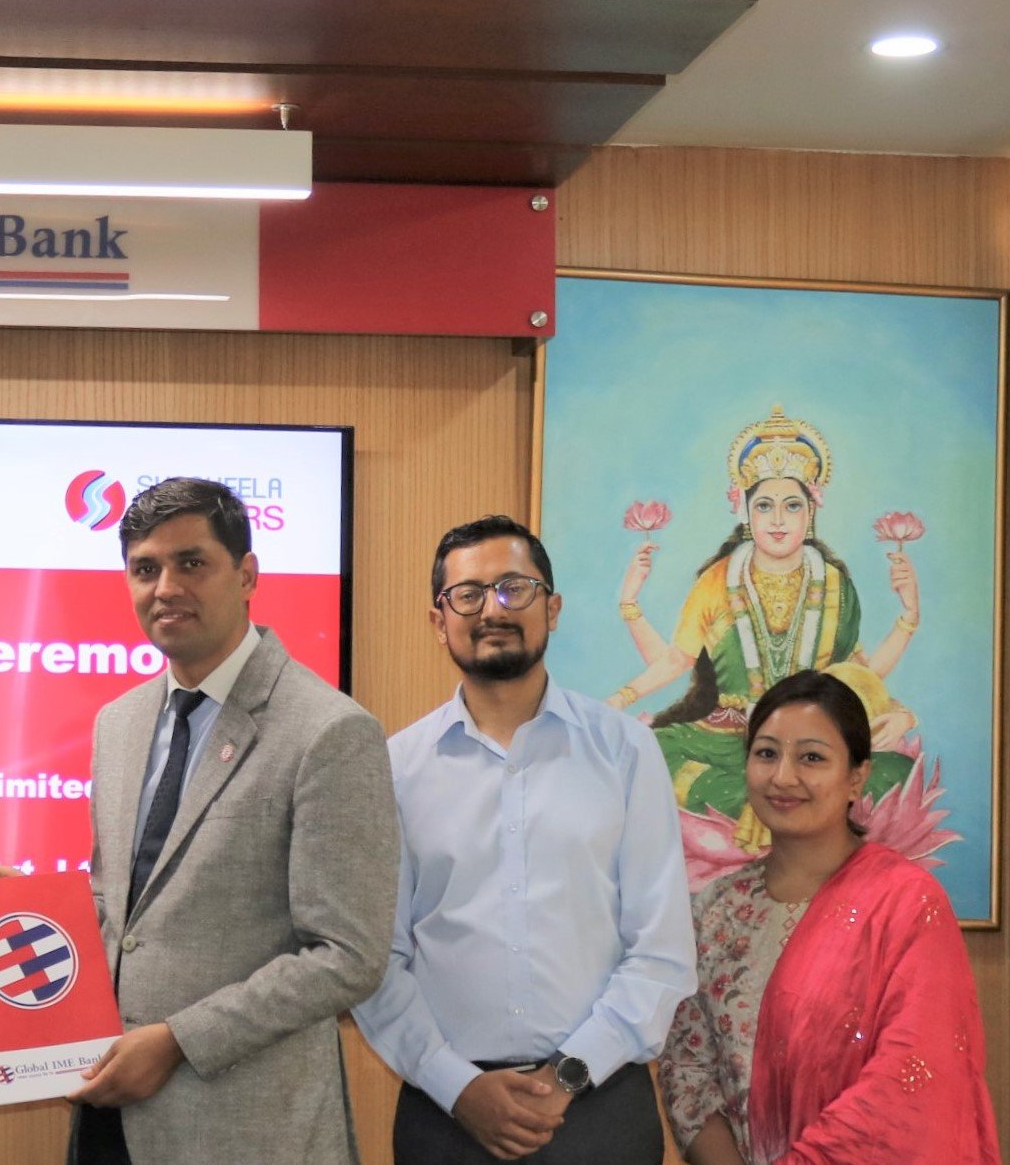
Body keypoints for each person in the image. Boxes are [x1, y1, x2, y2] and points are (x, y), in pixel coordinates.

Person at [62, 477, 398, 1163]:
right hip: (109, 1115)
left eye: (191, 563)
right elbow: (123, 915)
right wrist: (33, 913)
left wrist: (178, 1040)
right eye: (145, 569)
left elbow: (348, 957)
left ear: (246, 575)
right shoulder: (117, 724)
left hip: (247, 1129)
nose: (166, 588)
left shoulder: (330, 730)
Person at [352, 515, 695, 1163]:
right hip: (446, 1114)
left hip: (599, 1104)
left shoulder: (625, 751)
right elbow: (377, 961)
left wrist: (565, 1076)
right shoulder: (394, 768)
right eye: (468, 594)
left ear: (552, 609)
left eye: (514, 588)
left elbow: (661, 951)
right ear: (438, 621)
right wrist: (457, 1086)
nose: (493, 610)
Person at [659, 670, 998, 1165]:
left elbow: (912, 1077)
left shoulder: (905, 904)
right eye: (766, 753)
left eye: (812, 757)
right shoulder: (713, 909)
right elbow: (688, 1072)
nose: (783, 777)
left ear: (857, 777)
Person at [610, 406, 920, 853]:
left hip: (815, 741)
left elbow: (857, 673)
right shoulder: (717, 580)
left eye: (792, 506)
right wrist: (621, 697)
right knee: (658, 752)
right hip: (726, 739)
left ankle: (771, 799)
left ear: (810, 513)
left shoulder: (834, 584)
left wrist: (908, 621)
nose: (778, 520)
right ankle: (775, 802)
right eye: (764, 506)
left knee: (896, 773)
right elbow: (677, 659)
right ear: (745, 512)